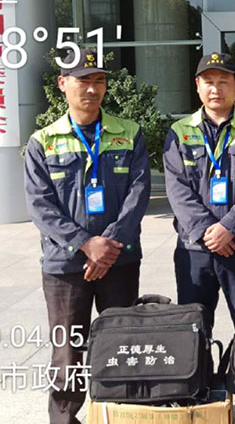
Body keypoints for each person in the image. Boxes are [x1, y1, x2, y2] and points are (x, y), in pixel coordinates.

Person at [24, 47, 150, 424]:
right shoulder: (43, 141)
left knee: (122, 345)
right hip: (65, 266)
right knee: (67, 352)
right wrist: (85, 243)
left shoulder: (129, 133)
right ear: (63, 84)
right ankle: (64, 419)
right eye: (83, 81)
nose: (92, 89)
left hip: (119, 260)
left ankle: (122, 415)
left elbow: (138, 193)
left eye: (99, 80)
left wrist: (107, 246)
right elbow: (40, 205)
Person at [164, 52, 235, 325]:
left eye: (223, 81)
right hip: (194, 250)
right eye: (209, 81)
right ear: (197, 86)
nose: (216, 88)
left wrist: (229, 229)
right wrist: (206, 231)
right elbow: (177, 188)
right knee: (193, 331)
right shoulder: (179, 131)